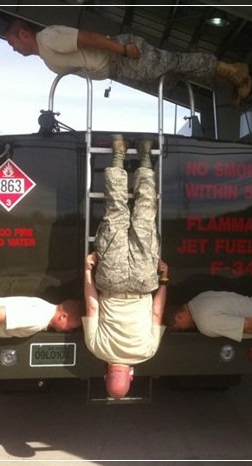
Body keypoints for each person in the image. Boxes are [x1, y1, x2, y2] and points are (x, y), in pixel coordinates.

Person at [83, 134, 167, 400]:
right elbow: (92, 306)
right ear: (105, 376)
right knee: (116, 211)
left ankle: (145, 155)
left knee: (145, 213)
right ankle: (118, 154)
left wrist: (164, 279)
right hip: (112, 279)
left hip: (143, 282)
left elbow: (156, 313)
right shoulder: (96, 348)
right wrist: (88, 271)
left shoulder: (147, 352)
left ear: (131, 376)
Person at [4, 19, 252, 106]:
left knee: (174, 62)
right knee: (171, 76)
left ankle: (233, 71)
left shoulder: (48, 38)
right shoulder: (46, 56)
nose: (15, 50)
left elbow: (86, 37)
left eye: (13, 43)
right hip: (116, 70)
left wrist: (122, 49)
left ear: (24, 34)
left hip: (118, 56)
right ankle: (225, 79)